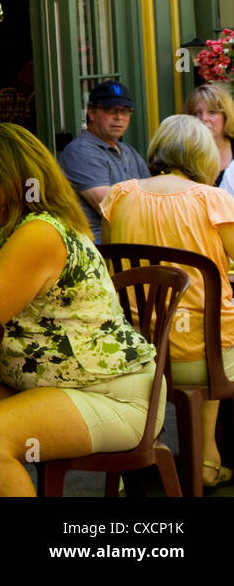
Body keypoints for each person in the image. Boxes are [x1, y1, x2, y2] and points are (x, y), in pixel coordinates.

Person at [0, 123, 158, 497]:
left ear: (4, 179)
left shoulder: (39, 233)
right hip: (55, 383)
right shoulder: (18, 227)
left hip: (110, 394)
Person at [101, 114, 234, 488]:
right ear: (203, 155)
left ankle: (149, 455)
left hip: (140, 352)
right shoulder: (213, 200)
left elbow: (115, 260)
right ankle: (208, 459)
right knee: (215, 330)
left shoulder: (120, 195)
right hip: (201, 360)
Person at [58, 79, 150, 242]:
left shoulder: (129, 151)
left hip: (132, 240)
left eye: (125, 111)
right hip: (101, 248)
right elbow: (112, 208)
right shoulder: (80, 151)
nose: (118, 117)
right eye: (110, 110)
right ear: (91, 113)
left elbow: (154, 196)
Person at [184, 83, 234, 196]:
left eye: (212, 112)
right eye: (196, 113)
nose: (203, 118)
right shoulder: (185, 153)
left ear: (226, 116)